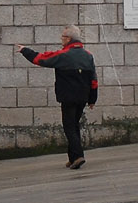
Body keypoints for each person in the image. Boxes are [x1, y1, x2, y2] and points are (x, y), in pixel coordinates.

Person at [17, 25, 100, 170]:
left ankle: (78, 156)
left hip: (67, 96)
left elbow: (41, 59)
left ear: (68, 39)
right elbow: (93, 80)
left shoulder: (64, 55)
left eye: (62, 37)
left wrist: (25, 50)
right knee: (74, 125)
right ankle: (72, 157)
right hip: (83, 97)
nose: (61, 39)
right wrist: (92, 99)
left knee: (69, 127)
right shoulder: (88, 56)